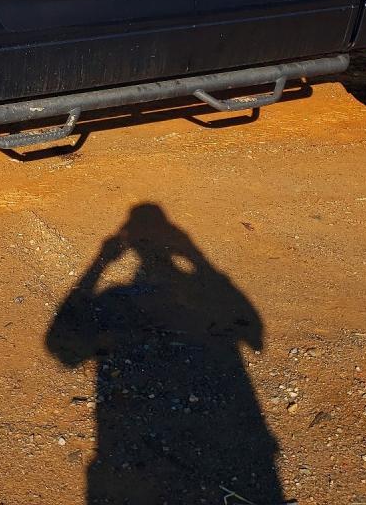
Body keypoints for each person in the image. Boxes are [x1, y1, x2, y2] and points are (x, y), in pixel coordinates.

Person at [46, 203, 284, 504]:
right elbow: (256, 338)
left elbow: (62, 350)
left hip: (126, 443)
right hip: (233, 432)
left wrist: (101, 261)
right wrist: (196, 258)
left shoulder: (114, 296)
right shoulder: (206, 287)